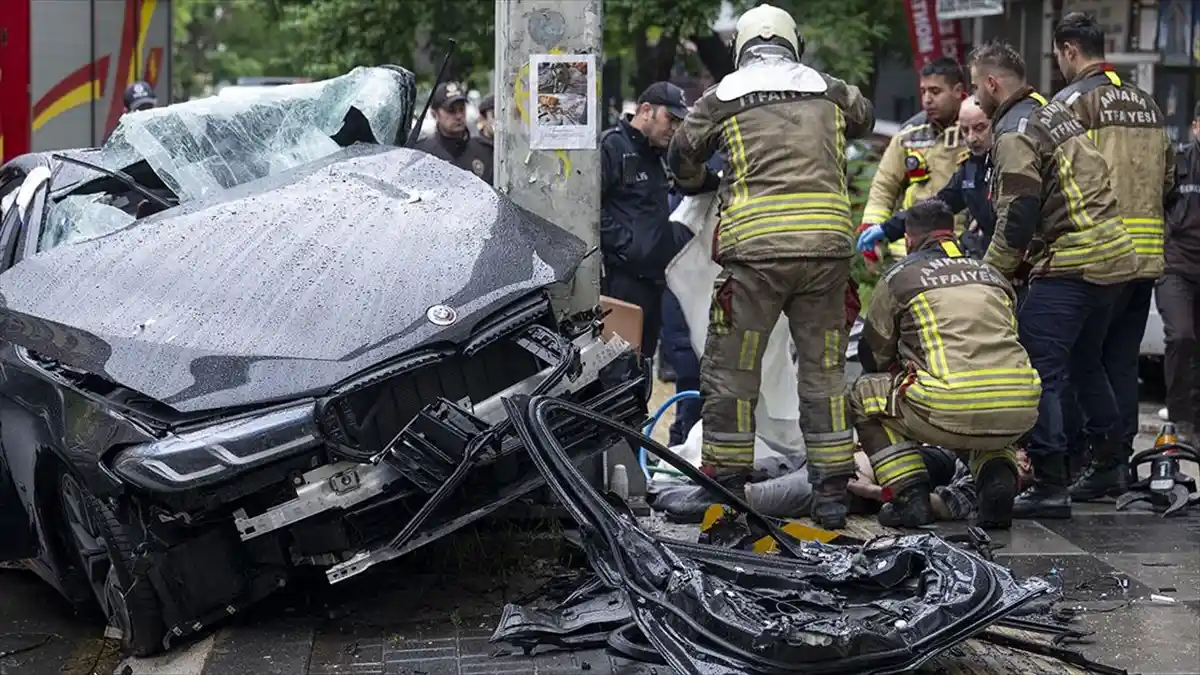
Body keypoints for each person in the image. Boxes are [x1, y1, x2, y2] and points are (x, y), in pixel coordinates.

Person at [667, 2, 873, 529]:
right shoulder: (828, 88)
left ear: (740, 47)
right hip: (826, 251)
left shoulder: (722, 97)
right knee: (823, 371)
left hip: (754, 253)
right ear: (793, 43)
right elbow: (865, 118)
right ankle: (830, 493)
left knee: (733, 372)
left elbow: (683, 156)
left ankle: (729, 488)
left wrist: (699, 185)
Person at [969, 41, 1137, 519]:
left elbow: (1019, 210)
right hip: (1111, 257)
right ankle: (1110, 462)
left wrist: (992, 274)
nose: (977, 96)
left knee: (1036, 366)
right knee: (1086, 361)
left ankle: (1050, 482)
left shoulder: (1015, 130)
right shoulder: (1050, 111)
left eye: (978, 86)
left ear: (992, 83)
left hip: (1073, 262)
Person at [850, 199, 1038, 528]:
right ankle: (996, 476)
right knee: (989, 391)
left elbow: (873, 354)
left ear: (908, 239)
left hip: (949, 405)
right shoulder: (992, 274)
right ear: (953, 233)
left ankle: (909, 496)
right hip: (1020, 405)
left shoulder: (900, 277)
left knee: (864, 392)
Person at [1050, 13, 1175, 501]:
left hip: (1098, 254)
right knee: (1121, 362)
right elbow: (1167, 181)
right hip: (1145, 255)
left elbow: (1056, 178)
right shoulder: (1148, 104)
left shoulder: (1074, 102)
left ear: (1067, 50)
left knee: (1082, 360)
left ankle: (1095, 459)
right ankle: (1118, 463)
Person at [600, 81, 691, 360]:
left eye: (679, 122)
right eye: (670, 119)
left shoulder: (660, 156)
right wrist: (626, 246)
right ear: (646, 111)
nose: (674, 128)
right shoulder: (613, 146)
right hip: (623, 281)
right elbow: (589, 208)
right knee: (617, 367)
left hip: (654, 281)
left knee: (642, 367)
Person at [861, 57, 969, 262]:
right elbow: (884, 186)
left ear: (957, 91)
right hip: (909, 250)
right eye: (923, 91)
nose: (927, 99)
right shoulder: (910, 134)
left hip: (961, 246)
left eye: (935, 92)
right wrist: (870, 228)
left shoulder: (975, 130)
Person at [858, 96, 995, 258]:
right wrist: (887, 229)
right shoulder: (971, 167)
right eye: (965, 130)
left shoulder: (1008, 161)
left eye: (980, 128)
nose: (971, 138)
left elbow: (1015, 224)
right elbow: (938, 206)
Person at [1158, 104, 1200, 445]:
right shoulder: (1178, 164)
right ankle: (1180, 418)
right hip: (1176, 266)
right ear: (1195, 126)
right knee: (1182, 336)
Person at [414, 82, 493, 183]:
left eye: (461, 109)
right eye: (451, 110)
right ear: (434, 114)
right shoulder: (422, 153)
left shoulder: (484, 151)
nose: (459, 116)